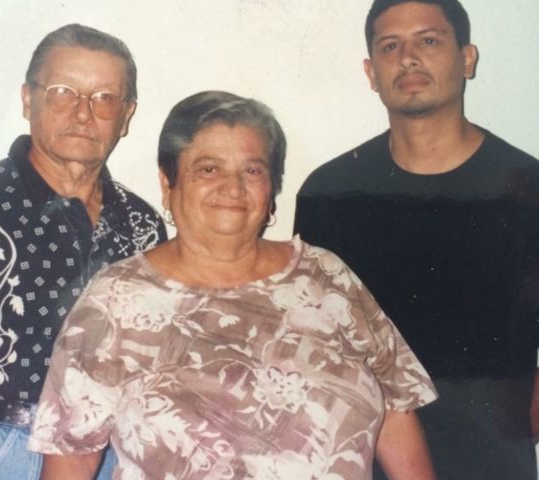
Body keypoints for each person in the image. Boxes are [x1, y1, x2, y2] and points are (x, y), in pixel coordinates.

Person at [28, 90, 438, 480]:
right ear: (168, 183)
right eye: (209, 168)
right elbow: (71, 461)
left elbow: (396, 410)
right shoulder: (116, 298)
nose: (233, 187)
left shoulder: (326, 276)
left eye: (252, 170)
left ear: (271, 188)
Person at [0, 24, 166, 480]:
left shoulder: (143, 227)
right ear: (28, 100)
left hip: (101, 455)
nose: (83, 113)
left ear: (126, 115)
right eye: (63, 93)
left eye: (104, 98)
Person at [294, 1, 539, 478]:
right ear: (371, 72)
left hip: (491, 465)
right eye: (390, 46)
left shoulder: (526, 189)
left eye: (428, 40)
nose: (408, 58)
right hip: (365, 463)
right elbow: (309, 340)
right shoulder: (330, 193)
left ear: (467, 58)